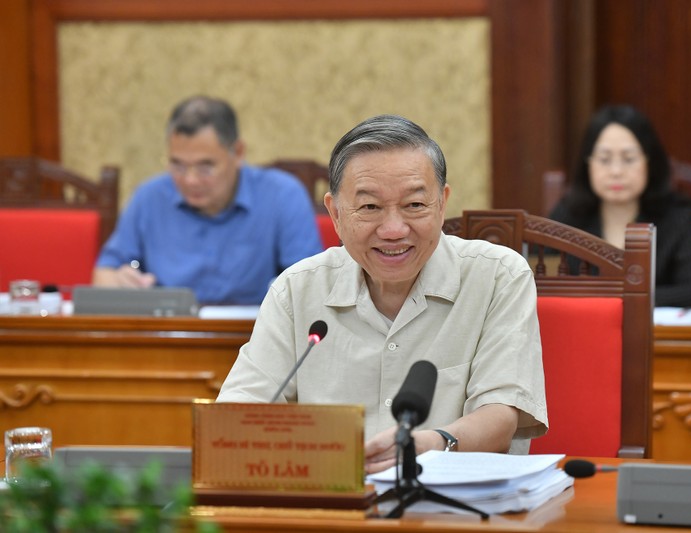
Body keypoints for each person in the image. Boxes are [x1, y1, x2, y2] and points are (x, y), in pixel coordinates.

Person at [217, 114, 547, 473]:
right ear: (336, 213)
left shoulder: (498, 277)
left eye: (414, 205)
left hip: (454, 509)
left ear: (442, 204)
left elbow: (500, 416)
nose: (393, 229)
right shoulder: (297, 289)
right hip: (333, 505)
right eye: (370, 207)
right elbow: (239, 413)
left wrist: (432, 444)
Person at [93, 96, 322, 305]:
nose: (190, 180)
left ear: (238, 153)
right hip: (169, 335)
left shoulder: (282, 195)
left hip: (255, 336)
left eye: (205, 167)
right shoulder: (149, 197)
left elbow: (310, 288)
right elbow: (103, 276)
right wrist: (121, 282)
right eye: (178, 165)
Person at [549, 104, 691, 308]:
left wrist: (619, 300)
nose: (616, 171)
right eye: (604, 159)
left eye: (629, 159)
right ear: (588, 163)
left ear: (649, 162)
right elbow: (535, 284)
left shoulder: (676, 217)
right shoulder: (567, 216)